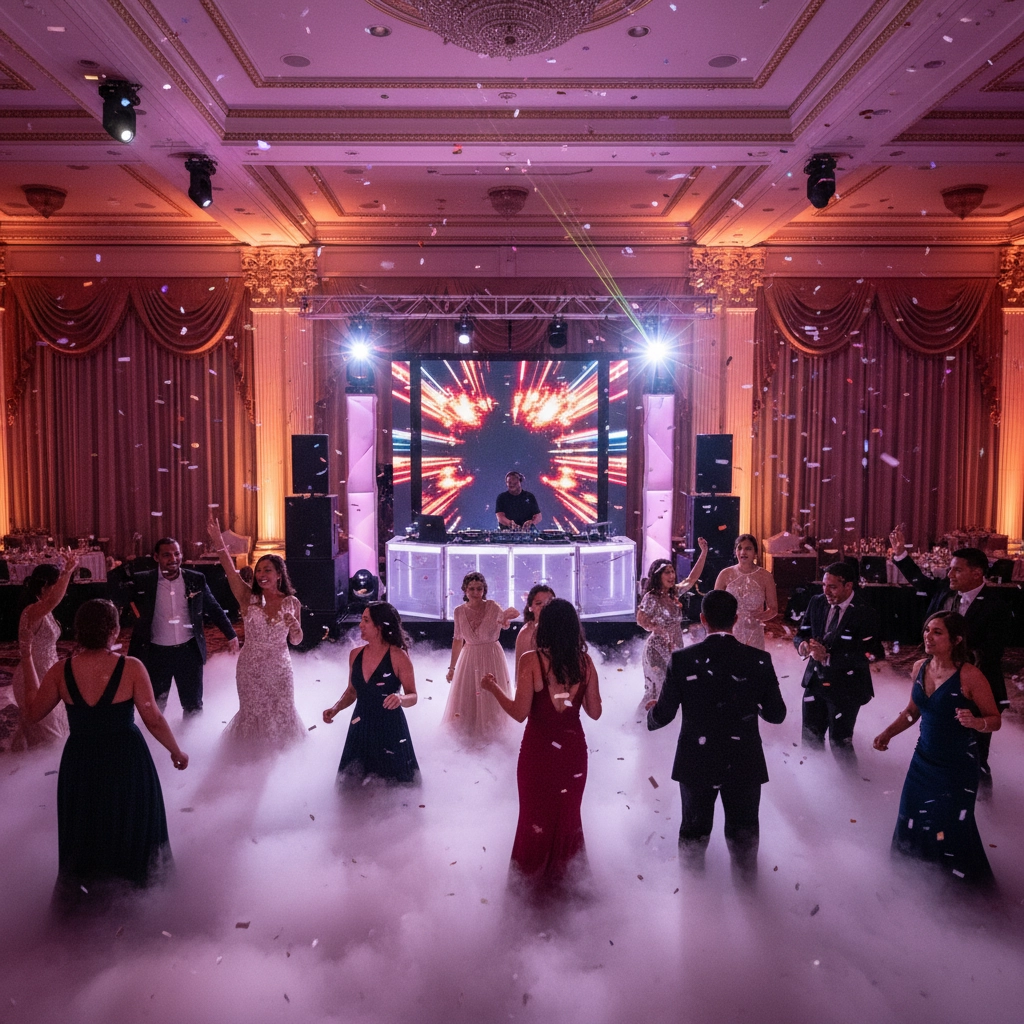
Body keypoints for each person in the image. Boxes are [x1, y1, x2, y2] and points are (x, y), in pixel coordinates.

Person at [18, 598, 187, 911]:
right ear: (113, 630)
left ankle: (87, 906)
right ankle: (141, 900)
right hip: (127, 759)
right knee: (133, 825)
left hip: (81, 762)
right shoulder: (132, 667)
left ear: (79, 631)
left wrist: (27, 658)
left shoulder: (60, 670)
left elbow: (32, 712)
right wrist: (176, 751)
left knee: (86, 830)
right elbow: (152, 718)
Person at [647, 590, 786, 883]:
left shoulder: (683, 659)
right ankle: (748, 897)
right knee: (744, 833)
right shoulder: (758, 659)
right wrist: (752, 701)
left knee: (694, 832)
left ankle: (693, 898)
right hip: (744, 760)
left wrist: (650, 716)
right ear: (735, 619)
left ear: (702, 620)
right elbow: (776, 715)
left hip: (697, 760)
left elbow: (665, 715)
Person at [481, 598, 602, 896]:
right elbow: (595, 712)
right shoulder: (585, 663)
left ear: (543, 627)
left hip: (538, 754)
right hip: (573, 755)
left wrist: (493, 687)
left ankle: (529, 889)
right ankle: (569, 886)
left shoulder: (531, 660)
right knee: (568, 818)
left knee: (533, 818)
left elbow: (519, 713)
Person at [873, 612, 999, 887]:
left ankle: (958, 889)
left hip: (957, 767)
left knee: (950, 826)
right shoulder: (920, 667)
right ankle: (911, 881)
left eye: (937, 632)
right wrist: (887, 733)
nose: (928, 636)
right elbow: (912, 711)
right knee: (911, 817)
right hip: (922, 762)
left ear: (956, 639)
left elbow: (995, 720)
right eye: (927, 630)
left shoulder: (970, 676)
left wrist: (977, 722)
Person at [889, 526, 1010, 794]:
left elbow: (991, 653)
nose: (950, 574)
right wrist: (900, 555)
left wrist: (955, 667)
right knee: (940, 749)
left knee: (976, 757)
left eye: (957, 570)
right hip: (940, 686)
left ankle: (984, 809)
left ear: (977, 573)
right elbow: (921, 582)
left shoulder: (997, 606)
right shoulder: (945, 591)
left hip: (978, 690)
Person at [207, 520, 305, 749]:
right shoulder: (246, 597)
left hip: (280, 668)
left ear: (279, 574)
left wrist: (295, 627)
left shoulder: (292, 602)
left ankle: (284, 758)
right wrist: (219, 541)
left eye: (267, 570)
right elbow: (230, 570)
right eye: (259, 570)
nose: (261, 574)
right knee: (252, 712)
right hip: (250, 667)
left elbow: (296, 641)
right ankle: (250, 757)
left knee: (282, 710)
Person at [123, 536, 238, 716]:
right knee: (155, 706)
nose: (173, 559)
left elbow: (213, 607)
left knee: (193, 705)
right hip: (156, 653)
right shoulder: (143, 581)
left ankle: (191, 742)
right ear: (156, 557)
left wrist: (231, 635)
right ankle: (154, 743)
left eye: (177, 554)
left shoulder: (195, 579)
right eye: (167, 555)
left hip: (189, 651)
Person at [794, 561, 885, 765]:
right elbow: (801, 634)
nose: (826, 591)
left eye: (832, 586)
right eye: (824, 585)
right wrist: (802, 646)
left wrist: (829, 656)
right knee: (810, 740)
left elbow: (874, 653)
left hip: (847, 688)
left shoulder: (865, 611)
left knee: (839, 743)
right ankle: (813, 786)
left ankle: (852, 790)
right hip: (815, 682)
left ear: (848, 586)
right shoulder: (816, 602)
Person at [323, 603, 419, 786]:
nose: (360, 624)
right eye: (361, 619)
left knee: (395, 789)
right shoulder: (355, 654)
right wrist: (335, 709)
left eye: (366, 620)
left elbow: (413, 696)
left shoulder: (398, 656)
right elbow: (352, 691)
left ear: (380, 626)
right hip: (360, 727)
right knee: (353, 787)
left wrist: (400, 699)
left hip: (390, 729)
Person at [10, 553, 78, 750]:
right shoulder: (32, 610)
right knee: (49, 736)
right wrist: (67, 572)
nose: (61, 592)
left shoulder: (43, 610)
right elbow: (53, 601)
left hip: (47, 673)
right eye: (55, 586)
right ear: (43, 587)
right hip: (32, 676)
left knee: (49, 728)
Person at [442, 572, 519, 741]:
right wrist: (452, 667)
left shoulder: (493, 606)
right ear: (464, 590)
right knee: (468, 692)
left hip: (491, 654)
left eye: (479, 589)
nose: (476, 592)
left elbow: (505, 622)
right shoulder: (458, 611)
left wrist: (507, 616)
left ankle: (494, 734)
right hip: (469, 656)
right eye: (471, 589)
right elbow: (457, 640)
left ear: (484, 590)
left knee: (491, 693)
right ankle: (467, 733)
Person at [636, 538, 709, 705]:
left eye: (672, 571)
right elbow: (641, 620)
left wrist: (703, 553)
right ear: (657, 575)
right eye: (666, 572)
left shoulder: (673, 593)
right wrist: (658, 629)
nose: (671, 575)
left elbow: (691, 579)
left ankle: (665, 726)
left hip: (675, 648)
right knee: (656, 691)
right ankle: (640, 726)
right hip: (656, 649)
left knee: (673, 690)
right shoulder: (651, 597)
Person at [713, 534, 778, 650]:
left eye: (748, 548)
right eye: (739, 548)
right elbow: (714, 605)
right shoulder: (725, 574)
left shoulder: (766, 576)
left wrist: (756, 618)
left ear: (755, 553)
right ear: (735, 551)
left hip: (754, 634)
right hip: (729, 633)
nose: (743, 552)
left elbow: (773, 609)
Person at [514, 584, 555, 681]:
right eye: (538, 603)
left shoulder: (562, 628)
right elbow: (521, 671)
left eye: (548, 603)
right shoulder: (526, 632)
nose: (543, 607)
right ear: (530, 607)